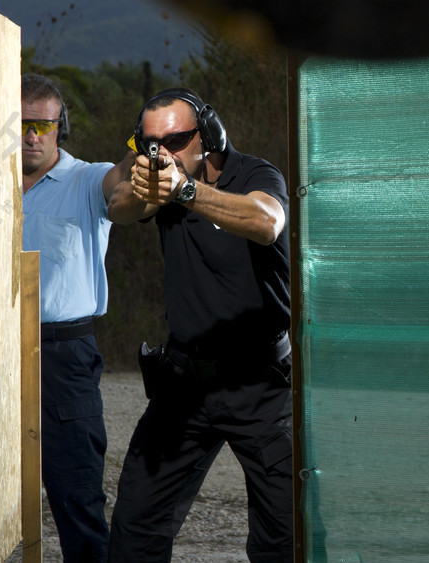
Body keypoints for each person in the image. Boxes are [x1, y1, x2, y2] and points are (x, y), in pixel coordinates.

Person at [106, 88, 293, 562]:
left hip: (261, 385)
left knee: (285, 537)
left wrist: (186, 192)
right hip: (184, 383)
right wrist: (148, 187)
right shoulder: (160, 179)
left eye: (174, 140)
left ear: (208, 136)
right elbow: (122, 205)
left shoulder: (254, 173)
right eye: (149, 143)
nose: (160, 153)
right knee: (134, 530)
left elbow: (266, 220)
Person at [21, 73, 131, 562]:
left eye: (42, 125)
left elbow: (122, 186)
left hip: (63, 354)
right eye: (22, 123)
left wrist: (141, 159)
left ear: (59, 127)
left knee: (77, 493)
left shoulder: (88, 178)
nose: (31, 135)